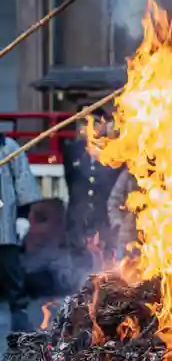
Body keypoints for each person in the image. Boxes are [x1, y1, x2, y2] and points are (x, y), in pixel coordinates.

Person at [63, 109, 122, 262]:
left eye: (96, 122)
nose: (90, 127)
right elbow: (71, 180)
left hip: (102, 219)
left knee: (104, 269)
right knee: (74, 267)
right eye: (85, 122)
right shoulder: (73, 151)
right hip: (77, 219)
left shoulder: (115, 153)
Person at [0, 133, 42, 332]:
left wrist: (23, 215)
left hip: (5, 225)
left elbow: (23, 180)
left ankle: (21, 329)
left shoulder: (8, 147)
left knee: (12, 277)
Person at [108, 166, 140, 261]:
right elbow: (113, 201)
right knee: (125, 270)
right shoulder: (129, 174)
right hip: (129, 235)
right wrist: (119, 223)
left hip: (155, 238)